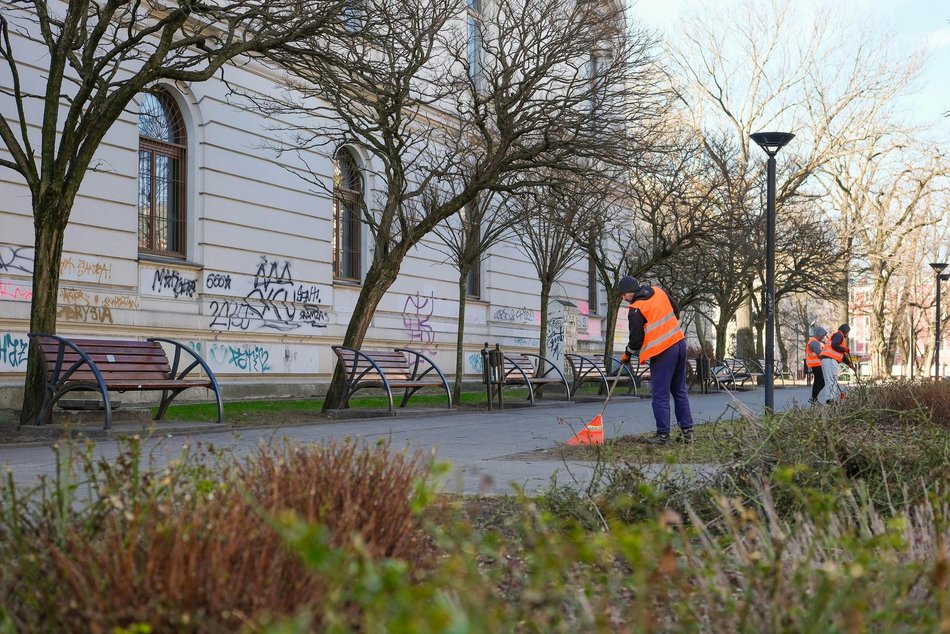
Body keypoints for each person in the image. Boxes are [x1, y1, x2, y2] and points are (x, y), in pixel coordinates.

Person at [617, 276, 694, 445]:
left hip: (663, 351)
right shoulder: (658, 291)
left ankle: (663, 436)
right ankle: (687, 432)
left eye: (624, 294)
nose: (623, 298)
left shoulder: (636, 309)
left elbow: (636, 340)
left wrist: (627, 355)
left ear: (631, 291)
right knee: (679, 390)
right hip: (679, 343)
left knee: (660, 394)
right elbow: (676, 309)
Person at [819, 323, 854, 404]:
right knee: (832, 380)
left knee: (829, 380)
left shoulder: (837, 336)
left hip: (826, 359)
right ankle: (831, 400)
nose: (848, 334)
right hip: (830, 360)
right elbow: (835, 345)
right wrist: (845, 349)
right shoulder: (839, 335)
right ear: (845, 331)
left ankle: (829, 399)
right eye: (848, 332)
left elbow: (841, 354)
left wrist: (849, 364)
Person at [805, 326, 827, 405]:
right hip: (816, 364)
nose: (823, 337)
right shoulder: (814, 342)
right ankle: (813, 398)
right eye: (823, 335)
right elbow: (820, 354)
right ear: (819, 334)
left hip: (816, 364)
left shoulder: (815, 341)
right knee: (820, 381)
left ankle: (814, 398)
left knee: (820, 381)